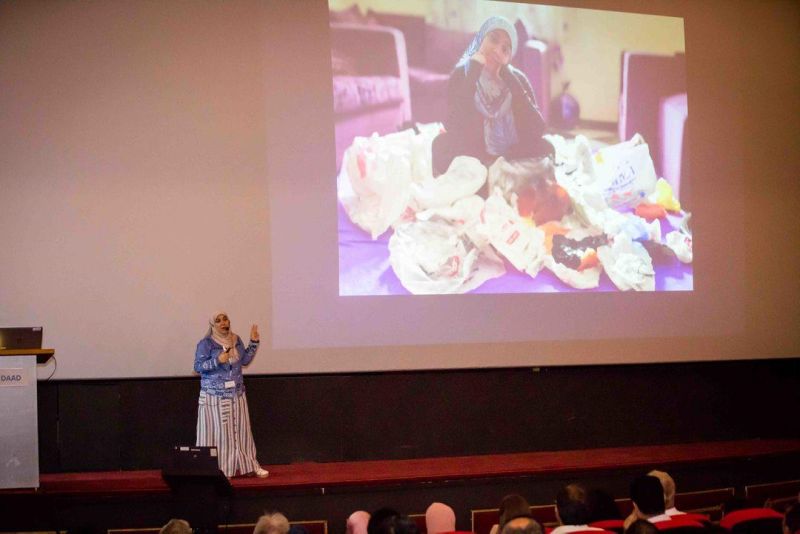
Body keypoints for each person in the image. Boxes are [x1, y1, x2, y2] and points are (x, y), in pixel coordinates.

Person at [432, 16, 551, 176]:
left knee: (546, 148)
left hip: (511, 153)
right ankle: (492, 174)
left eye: (505, 49)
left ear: (510, 56)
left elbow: (537, 128)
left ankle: (493, 175)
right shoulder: (462, 73)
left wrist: (508, 77)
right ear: (481, 38)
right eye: (493, 40)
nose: (497, 50)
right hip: (473, 151)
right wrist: (474, 70)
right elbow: (452, 124)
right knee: (440, 145)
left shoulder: (517, 78)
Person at [194, 311, 268, 478]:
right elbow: (198, 367)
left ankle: (249, 464)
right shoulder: (206, 344)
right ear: (213, 325)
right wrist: (217, 360)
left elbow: (245, 361)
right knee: (222, 434)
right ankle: (223, 470)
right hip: (216, 397)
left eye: (225, 319)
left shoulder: (236, 339)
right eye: (218, 320)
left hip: (237, 394)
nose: (223, 323)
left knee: (242, 433)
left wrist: (254, 342)